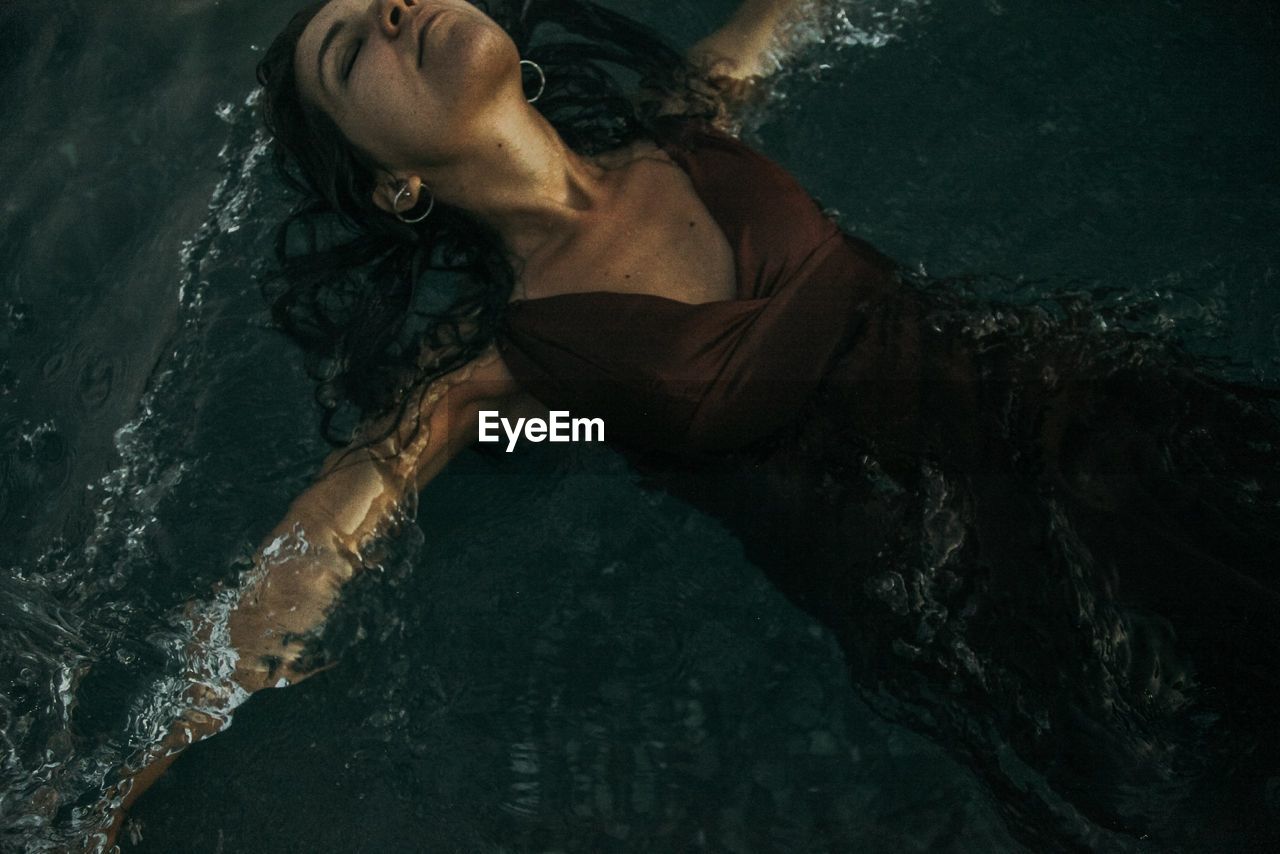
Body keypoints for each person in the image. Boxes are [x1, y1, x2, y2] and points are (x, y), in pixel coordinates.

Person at [89, 0, 1280, 850]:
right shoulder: (492, 374)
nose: (397, 13)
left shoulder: (691, 117)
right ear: (393, 184)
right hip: (963, 582)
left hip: (1084, 410)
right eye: (354, 50)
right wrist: (108, 796)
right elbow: (306, 559)